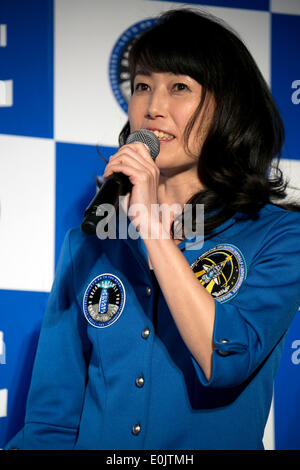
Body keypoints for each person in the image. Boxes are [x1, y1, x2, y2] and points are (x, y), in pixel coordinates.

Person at [5, 8, 300, 450]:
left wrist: (152, 229)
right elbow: (53, 417)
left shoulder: (279, 235)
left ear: (229, 109)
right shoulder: (90, 240)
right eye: (143, 86)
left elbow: (226, 360)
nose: (153, 108)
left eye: (179, 87)